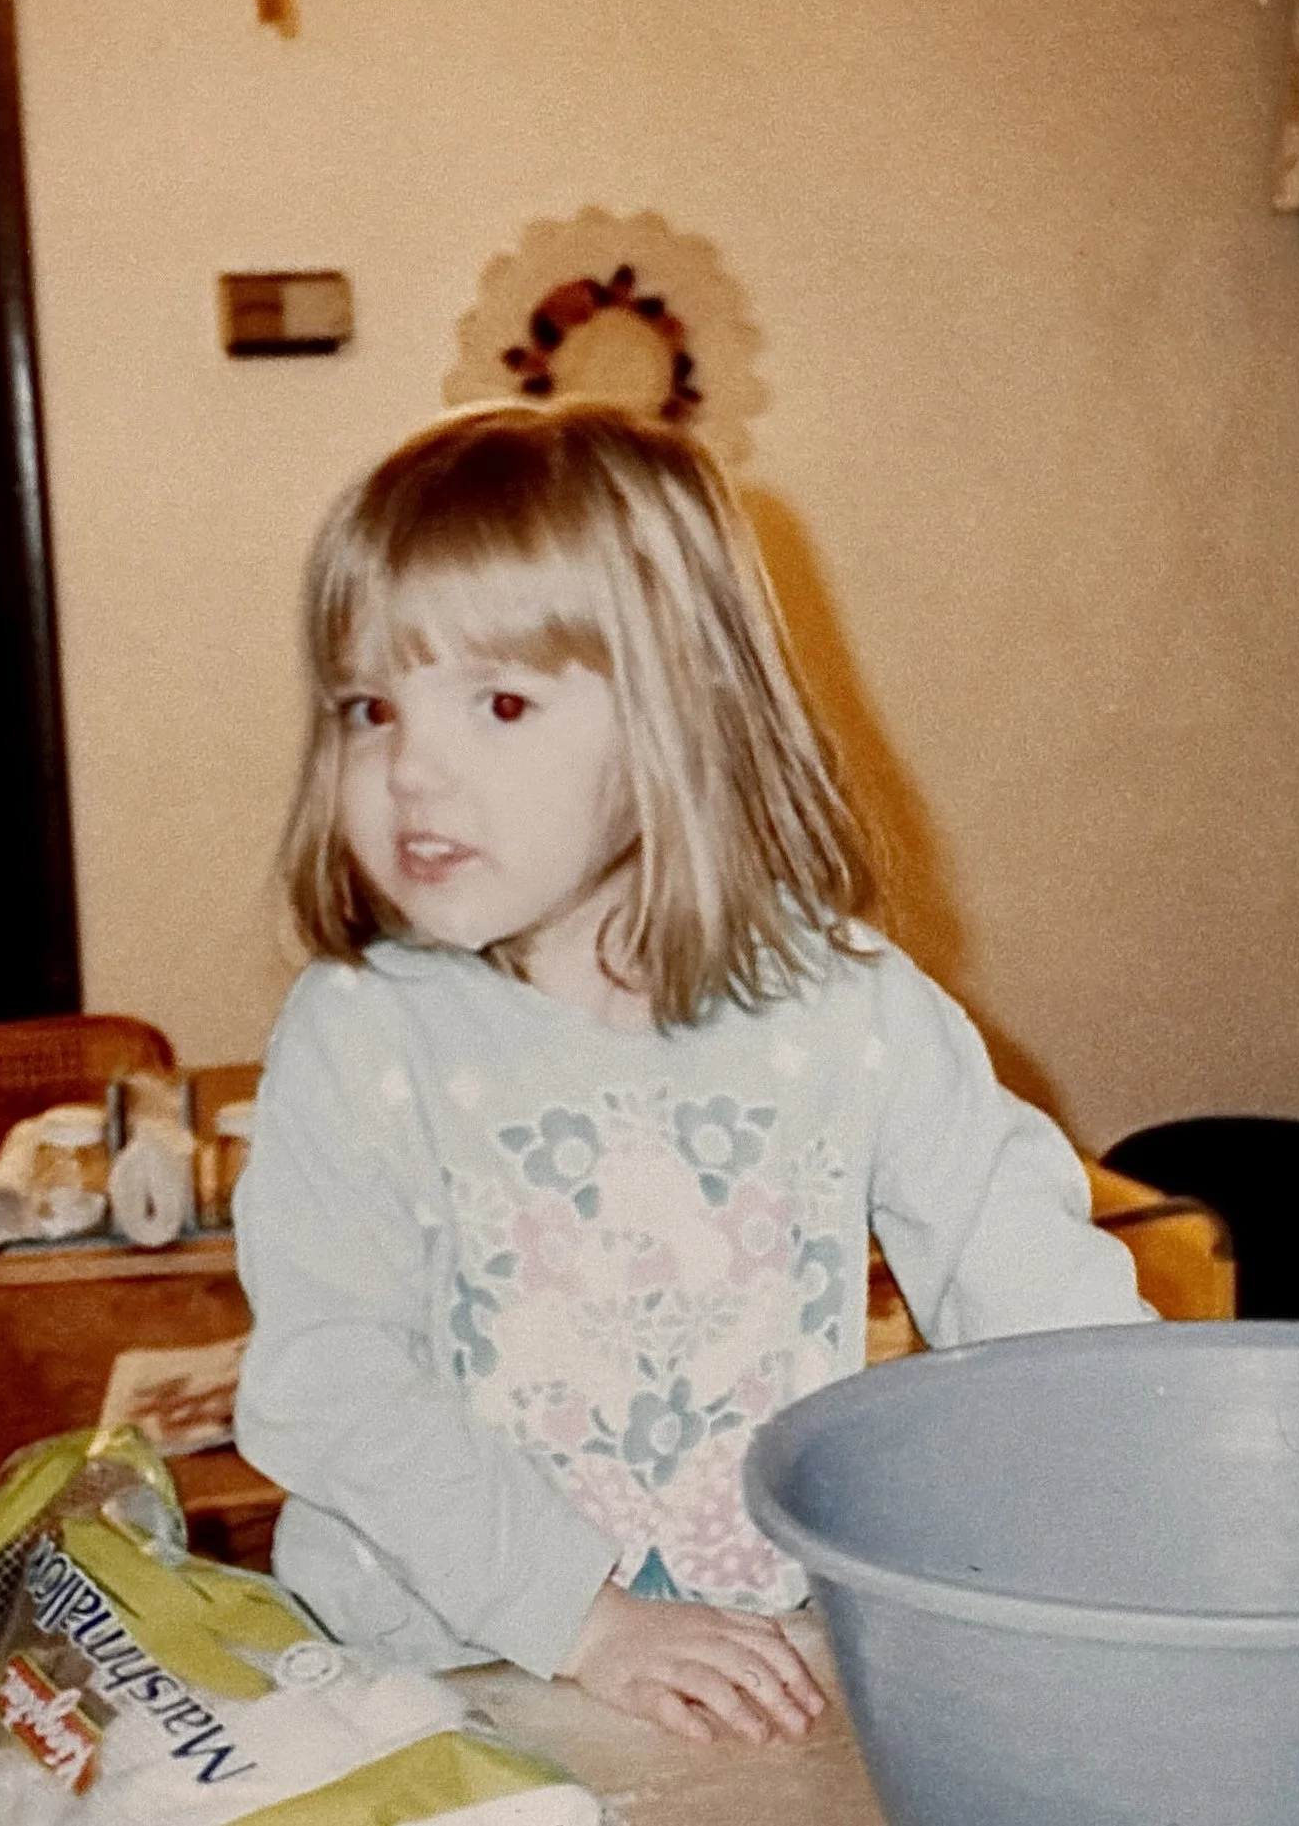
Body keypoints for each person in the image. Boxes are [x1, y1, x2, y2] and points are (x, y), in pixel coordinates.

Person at [232, 401, 1151, 1746]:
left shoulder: (844, 1008)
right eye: (369, 707)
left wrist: (1155, 1483)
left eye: (496, 703)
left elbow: (1038, 1300)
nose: (410, 769)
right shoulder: (362, 1035)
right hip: (432, 1679)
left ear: (680, 719)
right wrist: (586, 1619)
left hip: (747, 1659)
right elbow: (331, 1385)